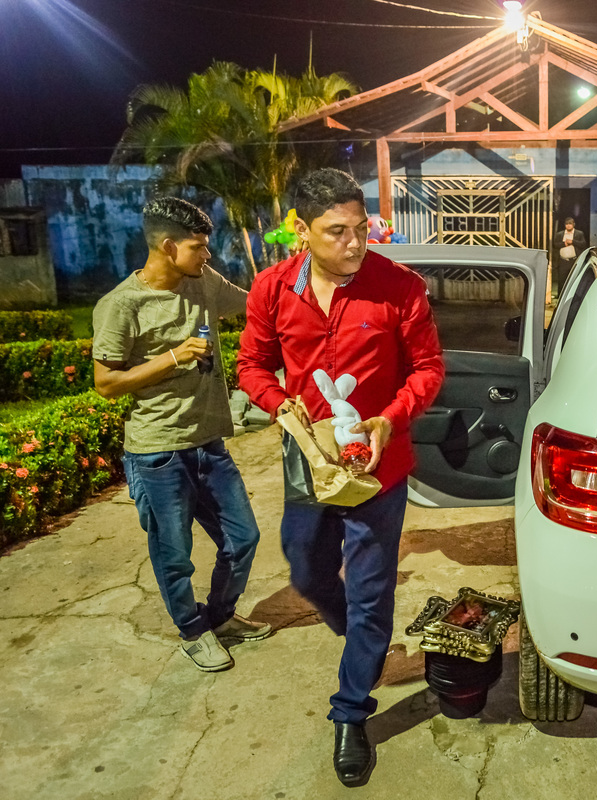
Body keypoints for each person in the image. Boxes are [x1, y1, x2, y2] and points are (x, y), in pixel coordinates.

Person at [237, 168, 444, 788]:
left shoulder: (399, 288)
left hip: (381, 466)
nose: (354, 244)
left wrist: (389, 419)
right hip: (309, 460)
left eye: (361, 229)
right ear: (302, 231)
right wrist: (280, 404)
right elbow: (252, 365)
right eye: (337, 232)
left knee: (371, 591)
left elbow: (429, 368)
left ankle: (351, 711)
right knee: (304, 565)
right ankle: (357, 632)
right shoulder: (272, 289)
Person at [92, 197, 270, 673]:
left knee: (244, 538)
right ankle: (193, 631)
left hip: (208, 444)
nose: (207, 255)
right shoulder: (121, 305)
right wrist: (173, 357)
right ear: (168, 247)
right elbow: (106, 383)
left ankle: (220, 617)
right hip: (157, 453)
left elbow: (257, 305)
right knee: (175, 554)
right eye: (197, 247)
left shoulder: (205, 282)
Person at [552, 216, 586, 298]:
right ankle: (560, 296)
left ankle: (574, 296)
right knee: (561, 280)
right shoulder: (560, 234)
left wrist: (572, 242)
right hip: (563, 261)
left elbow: (583, 244)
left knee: (574, 278)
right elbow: (555, 245)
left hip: (574, 260)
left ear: (574, 224)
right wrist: (564, 244)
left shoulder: (579, 233)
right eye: (567, 224)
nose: (568, 225)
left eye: (570, 224)